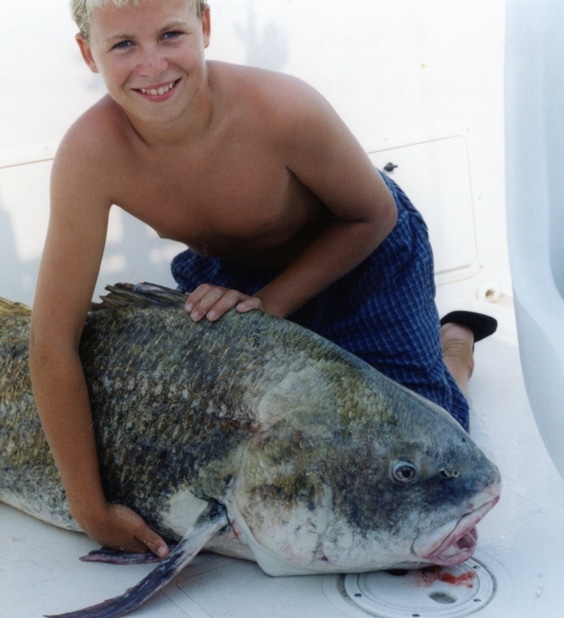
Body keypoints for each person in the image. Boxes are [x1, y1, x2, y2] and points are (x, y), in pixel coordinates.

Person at [28, 0, 495, 560]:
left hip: (363, 257)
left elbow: (373, 217)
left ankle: (454, 347)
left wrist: (271, 304)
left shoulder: (281, 107)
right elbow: (53, 343)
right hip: (235, 276)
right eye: (123, 44)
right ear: (87, 52)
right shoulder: (89, 154)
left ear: (204, 25)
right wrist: (90, 510)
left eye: (171, 34)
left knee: (427, 448)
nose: (152, 65)